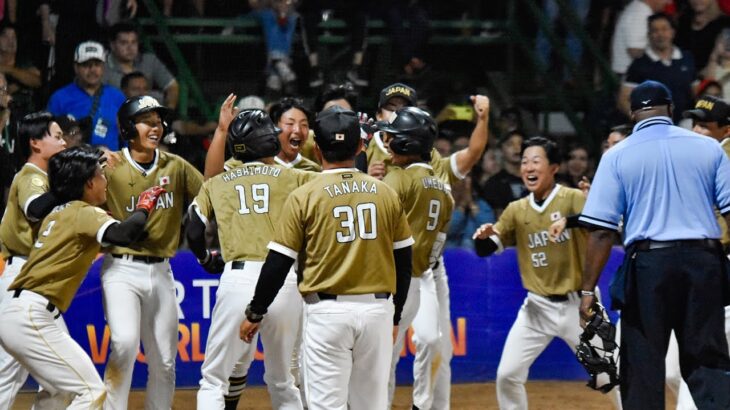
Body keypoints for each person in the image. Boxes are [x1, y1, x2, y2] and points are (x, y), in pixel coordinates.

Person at [239, 106, 414, 409]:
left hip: (327, 314)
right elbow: (404, 262)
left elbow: (278, 264)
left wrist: (256, 311)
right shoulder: (385, 193)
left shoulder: (305, 195)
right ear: (361, 146)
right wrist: (396, 315)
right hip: (377, 312)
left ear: (317, 148)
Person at [578, 80, 730, 408]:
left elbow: (602, 232)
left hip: (650, 266)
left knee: (643, 368)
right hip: (703, 261)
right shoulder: (709, 148)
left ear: (633, 114)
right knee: (709, 364)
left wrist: (588, 291)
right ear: (672, 110)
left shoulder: (617, 155)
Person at [0, 144, 164, 409]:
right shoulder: (83, 212)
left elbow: (121, 237)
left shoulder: (61, 211)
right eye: (100, 175)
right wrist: (144, 207)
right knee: (91, 392)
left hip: (21, 311)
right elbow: (123, 234)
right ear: (88, 183)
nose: (105, 179)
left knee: (59, 392)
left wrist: (135, 224)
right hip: (31, 315)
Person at [473, 136, 620, 409]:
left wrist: (578, 216)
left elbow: (605, 228)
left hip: (580, 305)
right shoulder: (517, 210)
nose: (528, 167)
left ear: (553, 167)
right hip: (536, 308)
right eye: (525, 161)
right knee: (507, 375)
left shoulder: (573, 198)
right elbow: (487, 249)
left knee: (610, 376)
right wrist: (482, 237)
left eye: (536, 161)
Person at [187, 109, 313, 410]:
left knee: (214, 379)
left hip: (238, 277)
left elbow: (193, 226)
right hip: (284, 280)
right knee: (283, 380)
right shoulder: (294, 177)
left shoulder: (218, 182)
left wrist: (206, 258)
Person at [100, 95, 203, 409]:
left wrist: (222, 133)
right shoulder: (110, 165)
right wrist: (92, 158)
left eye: (158, 122)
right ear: (129, 127)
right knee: (124, 344)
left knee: (165, 359)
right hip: (121, 268)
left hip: (161, 270)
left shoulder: (176, 166)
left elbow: (212, 193)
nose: (155, 127)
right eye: (147, 121)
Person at [376, 106, 453, 409]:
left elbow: (376, 230)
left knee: (392, 353)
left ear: (408, 144)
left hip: (399, 280)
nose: (389, 143)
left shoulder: (398, 179)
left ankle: (405, 404)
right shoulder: (444, 190)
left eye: (394, 138)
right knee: (426, 342)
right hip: (419, 277)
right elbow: (439, 243)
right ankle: (412, 403)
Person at [0, 112, 66, 408]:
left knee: (60, 373)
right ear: (35, 143)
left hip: (36, 281)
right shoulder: (30, 175)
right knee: (8, 372)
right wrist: (68, 184)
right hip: (22, 280)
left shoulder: (47, 178)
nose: (63, 140)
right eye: (57, 135)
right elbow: (35, 209)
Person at [47, 40, 126, 151]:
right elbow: (50, 136)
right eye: (86, 65)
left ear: (103, 67)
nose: (92, 70)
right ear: (76, 67)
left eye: (97, 64)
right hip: (73, 162)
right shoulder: (59, 98)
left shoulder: (117, 97)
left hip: (111, 163)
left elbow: (127, 136)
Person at [617, 13, 696, 123]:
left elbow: (696, 91)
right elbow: (623, 100)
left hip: (685, 123)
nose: (660, 34)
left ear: (672, 32)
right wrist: (642, 121)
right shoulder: (639, 64)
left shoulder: (686, 58)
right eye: (655, 30)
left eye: (664, 29)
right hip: (654, 127)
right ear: (649, 35)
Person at [104, 22, 179, 110]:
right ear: (112, 45)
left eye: (133, 42)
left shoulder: (149, 60)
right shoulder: (101, 67)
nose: (130, 48)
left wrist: (169, 110)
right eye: (124, 43)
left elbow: (172, 86)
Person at [611, 0, 670, 76]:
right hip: (629, 76)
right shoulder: (639, 13)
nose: (669, 2)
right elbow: (635, 51)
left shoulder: (641, 10)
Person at [479, 130, 527, 218]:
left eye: (520, 144)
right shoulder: (494, 183)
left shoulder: (537, 179)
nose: (517, 148)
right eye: (510, 144)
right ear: (502, 149)